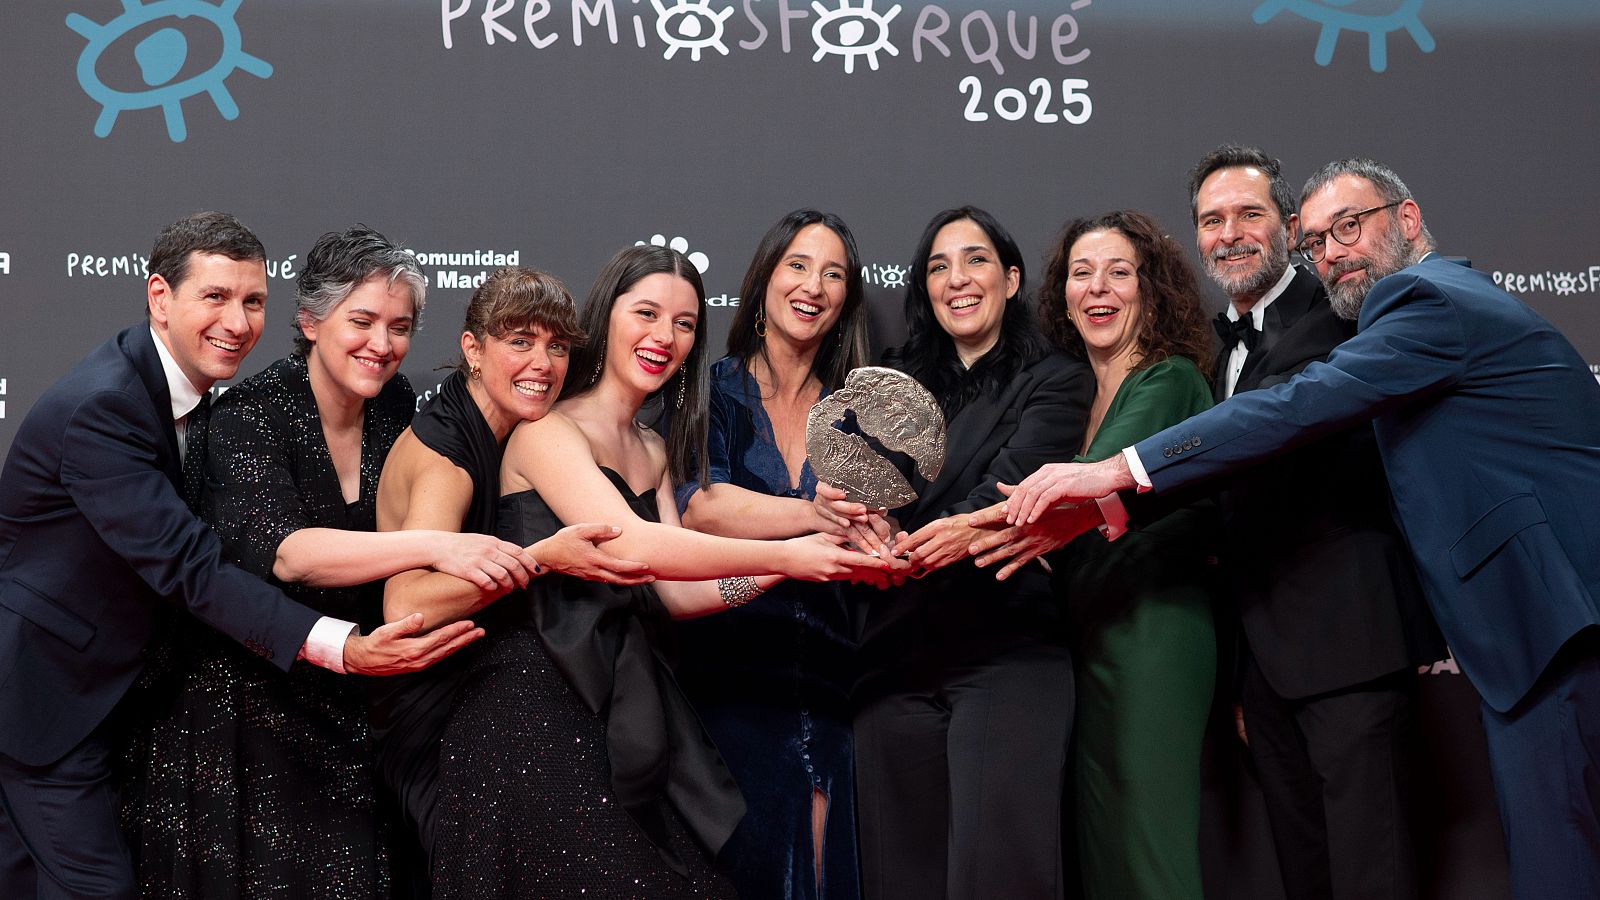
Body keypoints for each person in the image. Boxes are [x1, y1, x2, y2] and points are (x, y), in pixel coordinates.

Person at [996, 159, 1600, 900]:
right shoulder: (1234, 342)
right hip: (1492, 629)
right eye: (1318, 241)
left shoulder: (1421, 299)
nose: (1333, 252)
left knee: (1551, 859)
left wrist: (1118, 470)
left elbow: (1297, 407)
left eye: (1349, 227)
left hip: (1544, 620)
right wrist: (1108, 508)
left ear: (1408, 219)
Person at [0, 212, 482, 898]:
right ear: (160, 297)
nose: (237, 321)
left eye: (253, 300)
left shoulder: (177, 391)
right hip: (46, 701)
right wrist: (345, 647)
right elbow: (193, 569)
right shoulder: (107, 407)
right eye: (215, 297)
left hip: (111, 700)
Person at [421, 244, 880, 897]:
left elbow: (677, 593)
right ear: (606, 318)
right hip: (533, 706)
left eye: (684, 323)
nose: (665, 336)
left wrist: (807, 558)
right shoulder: (547, 430)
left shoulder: (655, 448)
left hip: (621, 709)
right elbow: (632, 544)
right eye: (647, 313)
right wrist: (788, 552)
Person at [115, 226, 547, 897]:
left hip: (353, 704)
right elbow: (290, 555)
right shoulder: (249, 416)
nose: (382, 344)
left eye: (399, 327)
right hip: (243, 716)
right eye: (362, 321)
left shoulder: (396, 406)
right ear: (312, 322)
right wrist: (437, 545)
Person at [1188, 145, 1442, 900]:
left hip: (1350, 645)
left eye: (1249, 214)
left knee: (1373, 874)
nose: (1229, 234)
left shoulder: (1347, 308)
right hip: (1260, 663)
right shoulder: (1204, 348)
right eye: (1211, 220)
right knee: (1305, 876)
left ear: (1291, 226)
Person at [370, 266, 651, 886]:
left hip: (490, 699)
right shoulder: (447, 460)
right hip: (433, 719)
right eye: (520, 342)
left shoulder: (512, 429)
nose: (542, 364)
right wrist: (543, 558)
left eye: (557, 346)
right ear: (473, 350)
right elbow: (406, 603)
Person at [858, 207, 1093, 900]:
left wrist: (909, 533)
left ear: (1011, 279)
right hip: (891, 657)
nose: (957, 278)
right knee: (899, 878)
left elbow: (1010, 491)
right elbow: (864, 493)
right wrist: (860, 520)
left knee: (1000, 876)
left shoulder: (1056, 377)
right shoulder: (888, 380)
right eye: (939, 266)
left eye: (976, 259)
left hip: (1006, 650)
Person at [675, 209, 873, 899]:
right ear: (764, 279)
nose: (813, 285)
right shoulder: (712, 386)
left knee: (829, 868)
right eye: (798, 265)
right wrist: (815, 515)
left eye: (833, 273)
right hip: (731, 672)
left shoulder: (856, 408)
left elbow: (874, 520)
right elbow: (701, 506)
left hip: (832, 672)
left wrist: (878, 534)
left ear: (847, 297)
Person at [1037, 210, 1219, 900]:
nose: (1098, 288)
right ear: (1063, 295)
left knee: (1148, 854)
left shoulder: (1169, 379)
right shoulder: (1072, 396)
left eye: (1119, 272)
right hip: (1085, 640)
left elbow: (1083, 493)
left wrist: (957, 536)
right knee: (1103, 859)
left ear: (1151, 288)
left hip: (1152, 636)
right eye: (1081, 273)